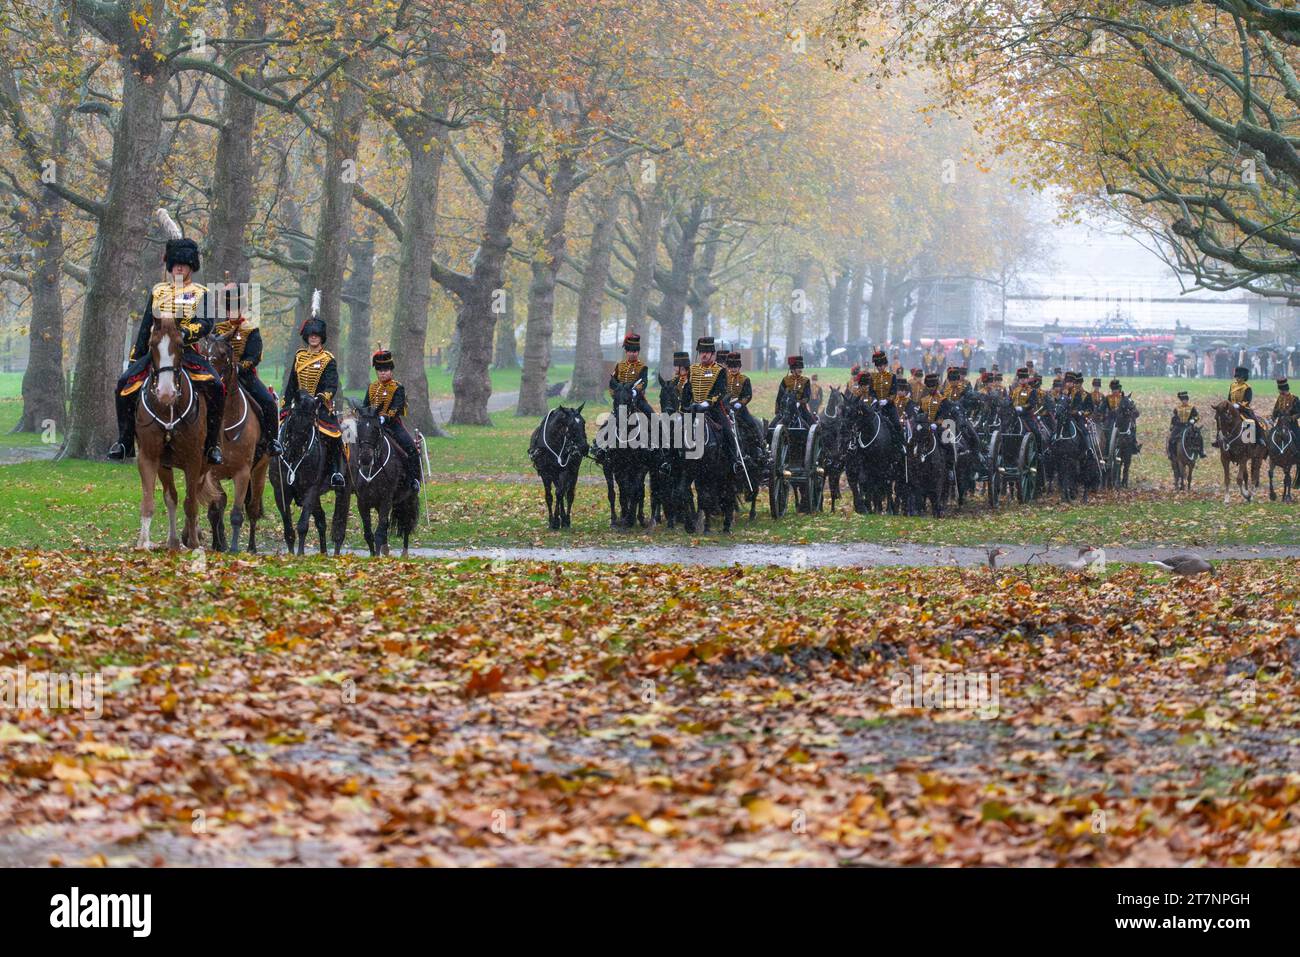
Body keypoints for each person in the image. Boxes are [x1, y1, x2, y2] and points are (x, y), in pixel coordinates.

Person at [110, 209, 225, 463]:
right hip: (158, 351)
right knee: (123, 385)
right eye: (175, 264)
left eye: (183, 264)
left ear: (190, 267)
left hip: (187, 352)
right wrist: (136, 356)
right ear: (170, 265)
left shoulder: (201, 292)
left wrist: (186, 332)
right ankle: (125, 441)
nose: (178, 268)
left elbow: (207, 323)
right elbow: (145, 327)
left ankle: (212, 445)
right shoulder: (159, 291)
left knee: (217, 386)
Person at [282, 294, 345, 489]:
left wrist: (320, 398)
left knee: (335, 436)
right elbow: (292, 382)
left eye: (316, 335)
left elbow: (331, 385)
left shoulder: (328, 359)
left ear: (321, 337)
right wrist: (286, 402)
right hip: (299, 405)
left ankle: (335, 472)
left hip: (319, 407)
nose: (313, 337)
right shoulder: (299, 356)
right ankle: (280, 463)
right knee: (280, 431)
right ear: (306, 336)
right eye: (311, 335)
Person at [213, 282, 283, 456]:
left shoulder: (251, 329)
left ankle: (272, 441)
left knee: (268, 402)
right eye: (229, 309)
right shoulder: (218, 330)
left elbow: (254, 356)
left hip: (244, 376)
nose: (232, 312)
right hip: (221, 376)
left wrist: (237, 368)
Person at [362, 348, 421, 494]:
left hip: (392, 425)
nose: (383, 372)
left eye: (386, 369)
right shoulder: (371, 388)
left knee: (411, 449)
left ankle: (414, 480)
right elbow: (365, 406)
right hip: (373, 426)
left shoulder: (397, 387)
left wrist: (385, 417)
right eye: (380, 369)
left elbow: (397, 406)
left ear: (391, 370)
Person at [686, 336, 739, 471]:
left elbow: (721, 391)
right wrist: (686, 405)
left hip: (713, 409)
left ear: (712, 353)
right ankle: (670, 461)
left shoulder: (720, 370)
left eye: (707, 352)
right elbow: (687, 390)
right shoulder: (692, 369)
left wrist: (708, 402)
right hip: (693, 408)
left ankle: (734, 462)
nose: (703, 354)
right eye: (702, 351)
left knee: (727, 431)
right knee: (675, 429)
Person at [725, 351, 766, 456]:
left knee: (751, 423)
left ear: (739, 367)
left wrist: (740, 403)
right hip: (725, 406)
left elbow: (748, 395)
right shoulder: (724, 378)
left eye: (736, 366)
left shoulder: (744, 379)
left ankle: (760, 443)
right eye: (731, 366)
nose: (733, 369)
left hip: (739, 408)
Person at [610, 332, 655, 418]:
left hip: (637, 399)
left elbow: (643, 383)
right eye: (630, 351)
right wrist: (616, 394)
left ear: (638, 352)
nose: (632, 354)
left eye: (634, 351)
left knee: (654, 418)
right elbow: (613, 382)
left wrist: (634, 392)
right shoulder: (619, 365)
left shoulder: (642, 367)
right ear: (626, 352)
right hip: (620, 399)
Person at [1167, 390, 1204, 460]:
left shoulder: (1192, 407)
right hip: (1179, 426)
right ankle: (1171, 454)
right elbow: (1174, 418)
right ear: (1181, 400)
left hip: (1189, 426)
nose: (1184, 401)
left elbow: (1197, 416)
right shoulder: (1177, 408)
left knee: (1199, 437)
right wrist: (1172, 425)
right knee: (1171, 439)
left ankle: (1201, 452)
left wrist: (1193, 420)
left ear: (1187, 399)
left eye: (1186, 399)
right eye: (1183, 400)